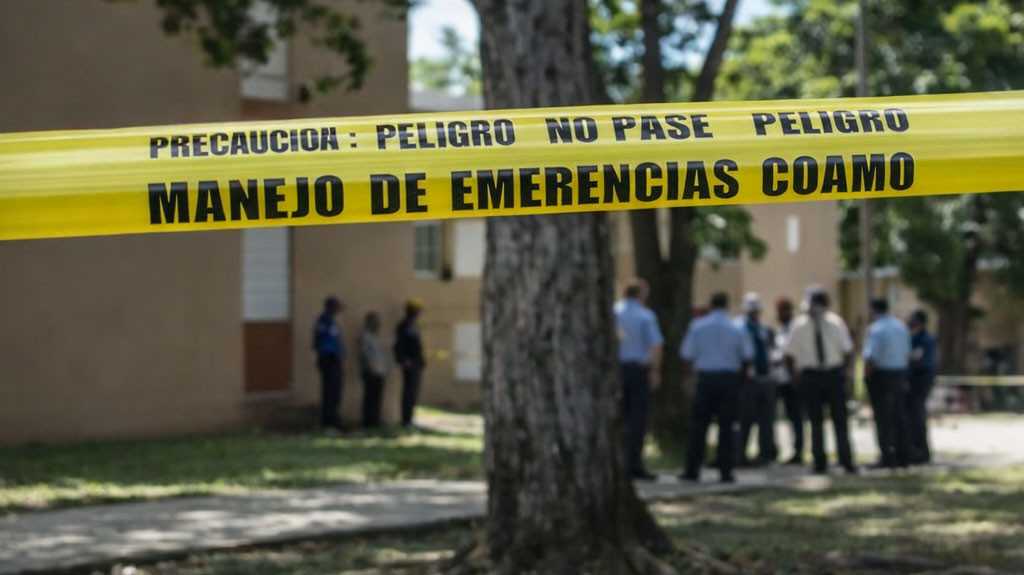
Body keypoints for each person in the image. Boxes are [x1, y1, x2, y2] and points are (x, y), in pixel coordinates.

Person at [680, 291, 753, 484]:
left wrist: (688, 377)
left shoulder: (697, 326)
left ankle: (692, 469)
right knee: (727, 427)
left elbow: (687, 355)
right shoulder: (736, 328)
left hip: (705, 379)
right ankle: (725, 470)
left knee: (698, 425)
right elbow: (746, 357)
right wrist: (742, 379)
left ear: (711, 305)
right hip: (729, 380)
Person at [783, 286, 857, 475]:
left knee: (840, 420)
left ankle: (846, 459)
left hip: (833, 374)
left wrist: (847, 371)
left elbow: (848, 350)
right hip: (810, 376)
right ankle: (819, 461)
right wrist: (794, 378)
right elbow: (788, 354)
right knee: (815, 422)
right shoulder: (799, 325)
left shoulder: (835, 322)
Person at [614, 279, 665, 481]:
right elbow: (656, 346)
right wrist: (655, 370)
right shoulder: (645, 315)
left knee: (619, 417)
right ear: (640, 294)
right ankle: (633, 462)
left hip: (616, 370)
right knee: (637, 418)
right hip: (637, 370)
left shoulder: (613, 312)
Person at [863, 298, 913, 468]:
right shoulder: (900, 326)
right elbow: (908, 353)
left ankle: (887, 456)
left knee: (883, 418)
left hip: (882, 376)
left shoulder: (876, 329)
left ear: (873, 310)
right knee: (900, 416)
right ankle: (904, 456)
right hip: (900, 374)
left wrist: (866, 379)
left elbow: (871, 358)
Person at [735, 292, 777, 466]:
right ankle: (740, 455)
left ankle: (765, 455)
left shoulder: (763, 328)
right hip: (747, 380)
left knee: (766, 421)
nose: (754, 315)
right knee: (745, 419)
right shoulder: (738, 328)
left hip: (764, 377)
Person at [772, 297, 804, 465]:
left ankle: (798, 451)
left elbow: (791, 354)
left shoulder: (796, 327)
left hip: (792, 378)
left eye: (783, 310)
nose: (780, 314)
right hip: (780, 379)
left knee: (795, 416)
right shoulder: (781, 329)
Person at [907, 309, 937, 464]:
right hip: (915, 380)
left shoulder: (924, 339)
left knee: (918, 416)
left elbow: (916, 359)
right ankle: (914, 449)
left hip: (920, 381)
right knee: (914, 416)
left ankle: (922, 451)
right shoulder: (914, 337)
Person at [313, 296, 345, 431]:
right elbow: (319, 342)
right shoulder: (323, 321)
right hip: (328, 360)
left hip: (336, 360)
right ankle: (328, 422)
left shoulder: (332, 321)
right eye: (335, 308)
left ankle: (334, 420)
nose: (336, 311)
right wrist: (327, 356)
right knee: (329, 392)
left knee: (336, 391)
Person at [394, 298, 426, 428]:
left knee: (413, 392)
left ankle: (410, 418)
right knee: (408, 392)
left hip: (416, 363)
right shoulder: (404, 325)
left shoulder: (413, 325)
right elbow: (399, 345)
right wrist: (403, 359)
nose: (418, 313)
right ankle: (406, 420)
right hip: (410, 363)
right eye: (416, 310)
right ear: (410, 311)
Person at [359, 312, 389, 429]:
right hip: (370, 372)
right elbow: (365, 355)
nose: (377, 325)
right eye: (374, 322)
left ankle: (375, 421)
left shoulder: (376, 337)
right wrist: (370, 368)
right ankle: (368, 422)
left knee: (377, 398)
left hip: (379, 372)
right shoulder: (366, 337)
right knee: (369, 398)